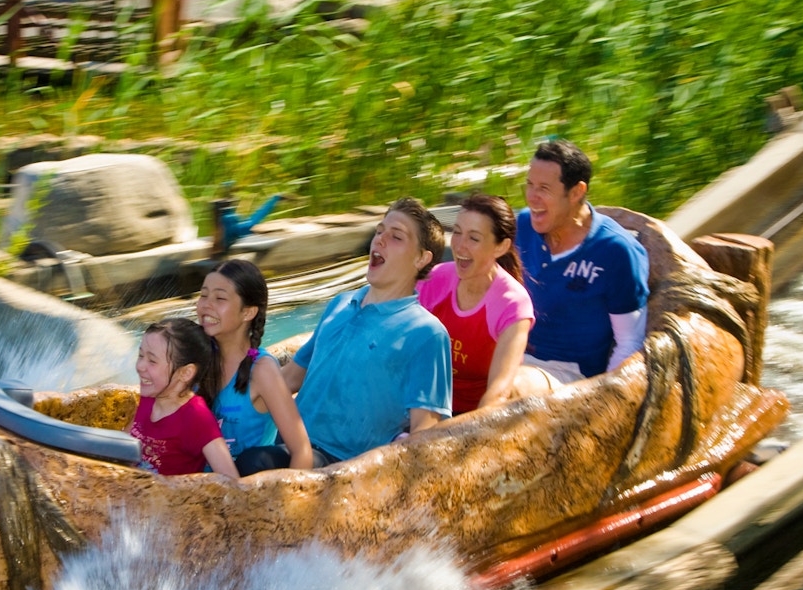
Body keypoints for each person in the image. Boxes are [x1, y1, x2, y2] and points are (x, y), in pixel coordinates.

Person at [236, 197, 453, 473]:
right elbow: (291, 377)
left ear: (421, 258)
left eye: (396, 236)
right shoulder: (340, 303)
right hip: (292, 444)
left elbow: (425, 430)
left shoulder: (426, 333)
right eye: (379, 231)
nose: (380, 240)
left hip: (344, 466)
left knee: (253, 464)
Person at [516, 139, 650, 386]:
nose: (532, 197)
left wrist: (601, 399)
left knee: (508, 386)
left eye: (544, 188)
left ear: (576, 192)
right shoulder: (522, 226)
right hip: (509, 354)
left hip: (567, 375)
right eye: (529, 185)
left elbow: (630, 341)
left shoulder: (616, 251)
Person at [415, 193, 535, 414]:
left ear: (501, 247)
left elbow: (498, 393)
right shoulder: (435, 279)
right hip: (421, 407)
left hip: (474, 419)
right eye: (457, 232)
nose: (460, 246)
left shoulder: (513, 304)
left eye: (474, 238)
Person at [196, 259, 314, 473]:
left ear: (248, 312)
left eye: (220, 298)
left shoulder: (261, 370)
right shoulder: (194, 358)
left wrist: (293, 503)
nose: (206, 304)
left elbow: (301, 450)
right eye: (203, 295)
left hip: (245, 491)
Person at [128, 318, 238, 477]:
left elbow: (232, 483)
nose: (140, 366)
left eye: (152, 360)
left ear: (185, 373)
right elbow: (123, 445)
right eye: (140, 355)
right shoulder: (149, 397)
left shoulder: (196, 418)